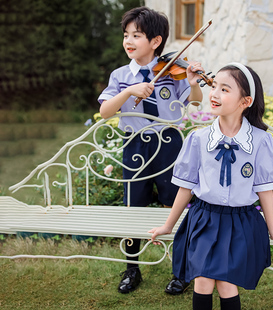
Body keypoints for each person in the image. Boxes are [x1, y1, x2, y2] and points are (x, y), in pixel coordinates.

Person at [148, 62, 273, 309]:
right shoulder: (198, 138)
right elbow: (186, 187)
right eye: (214, 86)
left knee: (226, 283)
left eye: (225, 89)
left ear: (245, 101)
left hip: (240, 222)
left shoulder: (260, 141)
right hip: (203, 220)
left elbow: (265, 189)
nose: (214, 94)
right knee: (202, 281)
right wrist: (168, 225)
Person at [98, 6, 204, 294]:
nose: (128, 41)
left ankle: (182, 270)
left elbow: (193, 104)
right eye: (126, 35)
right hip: (135, 145)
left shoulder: (172, 72)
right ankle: (132, 270)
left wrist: (193, 83)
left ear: (156, 42)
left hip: (169, 144)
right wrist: (129, 91)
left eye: (137, 35)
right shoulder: (121, 75)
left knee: (178, 205)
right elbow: (106, 111)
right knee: (133, 207)